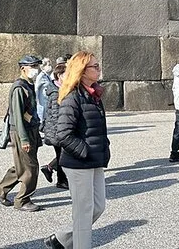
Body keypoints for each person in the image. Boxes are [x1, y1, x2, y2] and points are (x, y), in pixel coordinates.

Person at [44, 52, 110, 249]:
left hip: (95, 159)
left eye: (98, 65)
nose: (98, 69)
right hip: (79, 162)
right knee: (83, 212)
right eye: (94, 66)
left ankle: (61, 239)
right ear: (82, 70)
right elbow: (63, 134)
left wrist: (103, 149)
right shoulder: (73, 97)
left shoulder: (94, 94)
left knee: (98, 206)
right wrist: (85, 151)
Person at [0, 55, 43, 212]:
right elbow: (18, 116)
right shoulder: (19, 88)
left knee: (22, 164)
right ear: (23, 68)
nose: (36, 69)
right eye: (33, 66)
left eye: (37, 66)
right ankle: (22, 200)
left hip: (30, 129)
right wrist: (24, 139)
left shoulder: (28, 84)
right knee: (31, 168)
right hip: (22, 131)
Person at [40, 61, 69, 189]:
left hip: (59, 128)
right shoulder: (56, 92)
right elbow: (56, 114)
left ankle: (51, 170)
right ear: (59, 76)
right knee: (63, 154)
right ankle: (61, 179)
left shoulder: (61, 89)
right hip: (57, 129)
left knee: (62, 154)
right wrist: (61, 130)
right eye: (67, 74)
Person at [35, 57, 53, 122]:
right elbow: (36, 88)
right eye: (48, 65)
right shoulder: (41, 76)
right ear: (43, 67)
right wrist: (36, 100)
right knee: (41, 118)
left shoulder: (47, 76)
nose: (50, 66)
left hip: (47, 100)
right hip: (41, 101)